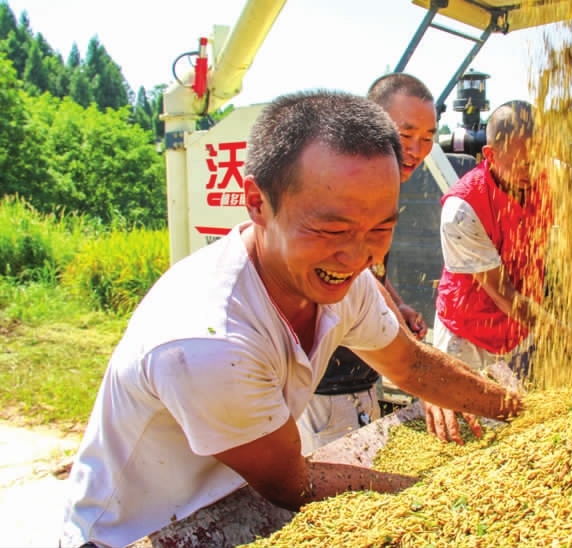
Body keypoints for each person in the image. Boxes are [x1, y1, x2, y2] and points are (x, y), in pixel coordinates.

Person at [60, 90, 522, 548]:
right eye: (332, 229)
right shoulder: (212, 341)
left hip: (236, 503)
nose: (360, 254)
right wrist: (445, 496)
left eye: (381, 228)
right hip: (140, 534)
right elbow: (291, 483)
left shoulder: (344, 279)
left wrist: (518, 412)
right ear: (258, 203)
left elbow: (412, 365)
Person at [426, 100, 572, 444]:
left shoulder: (557, 178)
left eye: (537, 158)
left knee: (520, 430)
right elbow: (505, 296)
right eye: (519, 161)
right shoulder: (462, 208)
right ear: (489, 153)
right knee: (465, 438)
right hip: (466, 333)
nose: (530, 170)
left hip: (520, 329)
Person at [295, 73, 438, 456]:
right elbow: (352, 272)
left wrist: (399, 305)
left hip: (360, 372)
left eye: (428, 137)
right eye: (405, 133)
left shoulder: (380, 187)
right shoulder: (343, 186)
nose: (416, 149)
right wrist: (422, 371)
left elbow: (370, 271)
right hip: (324, 381)